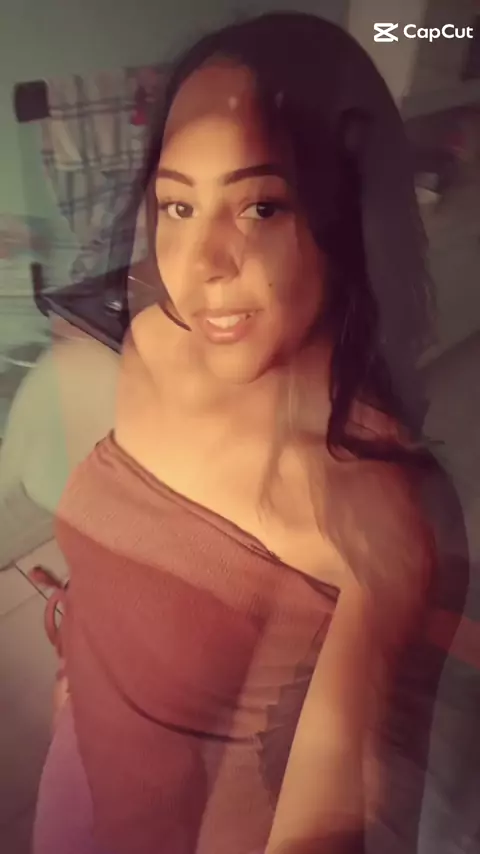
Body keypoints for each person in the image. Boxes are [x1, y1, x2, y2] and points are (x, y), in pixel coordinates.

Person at [32, 12, 468, 854]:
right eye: (178, 204)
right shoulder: (155, 340)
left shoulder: (379, 506)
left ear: (347, 218)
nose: (199, 265)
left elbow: (334, 816)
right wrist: (77, 672)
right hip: (76, 773)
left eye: (259, 206)